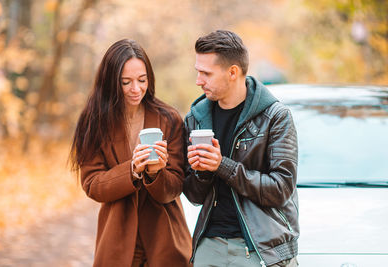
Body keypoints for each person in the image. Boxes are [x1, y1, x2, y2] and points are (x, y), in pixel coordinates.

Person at [69, 39, 192, 267]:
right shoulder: (94, 121)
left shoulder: (168, 118)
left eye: (142, 80)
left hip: (166, 241)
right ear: (110, 82)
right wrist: (132, 170)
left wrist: (156, 174)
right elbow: (92, 184)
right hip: (118, 243)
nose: (136, 89)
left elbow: (175, 187)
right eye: (126, 82)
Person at [183, 30, 299, 267]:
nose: (198, 81)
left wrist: (221, 165)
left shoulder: (276, 117)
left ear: (233, 72)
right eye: (198, 72)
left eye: (206, 73)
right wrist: (203, 171)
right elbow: (194, 197)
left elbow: (281, 188)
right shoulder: (196, 119)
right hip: (209, 244)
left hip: (261, 248)